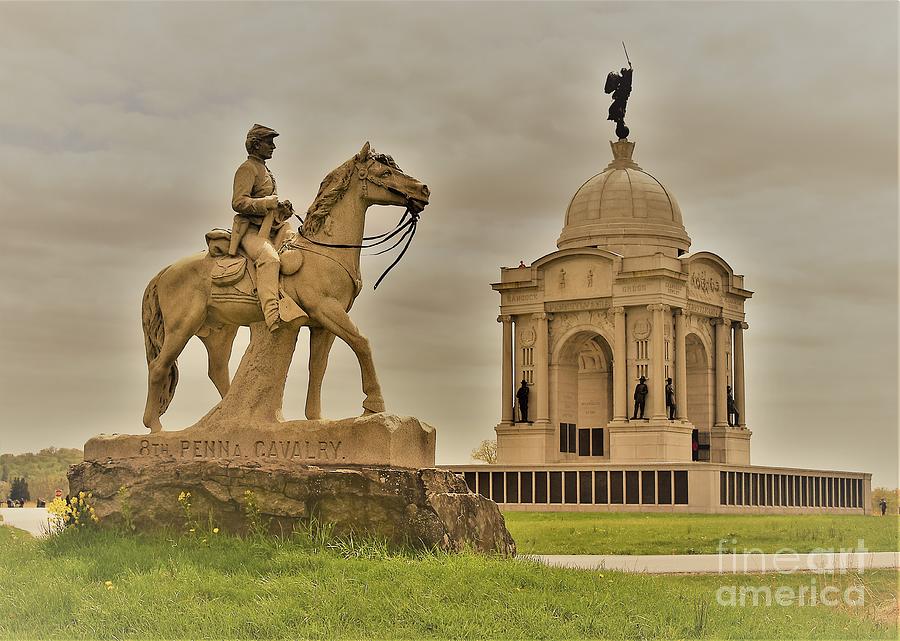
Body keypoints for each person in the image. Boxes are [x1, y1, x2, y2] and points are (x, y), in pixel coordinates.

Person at [230, 124, 295, 332]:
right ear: (256, 145)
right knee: (270, 258)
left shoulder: (265, 169)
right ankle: (272, 314)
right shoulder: (247, 169)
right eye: (269, 142)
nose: (273, 147)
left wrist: (281, 209)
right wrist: (267, 203)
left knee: (296, 242)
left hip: (272, 228)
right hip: (251, 232)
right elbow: (238, 202)